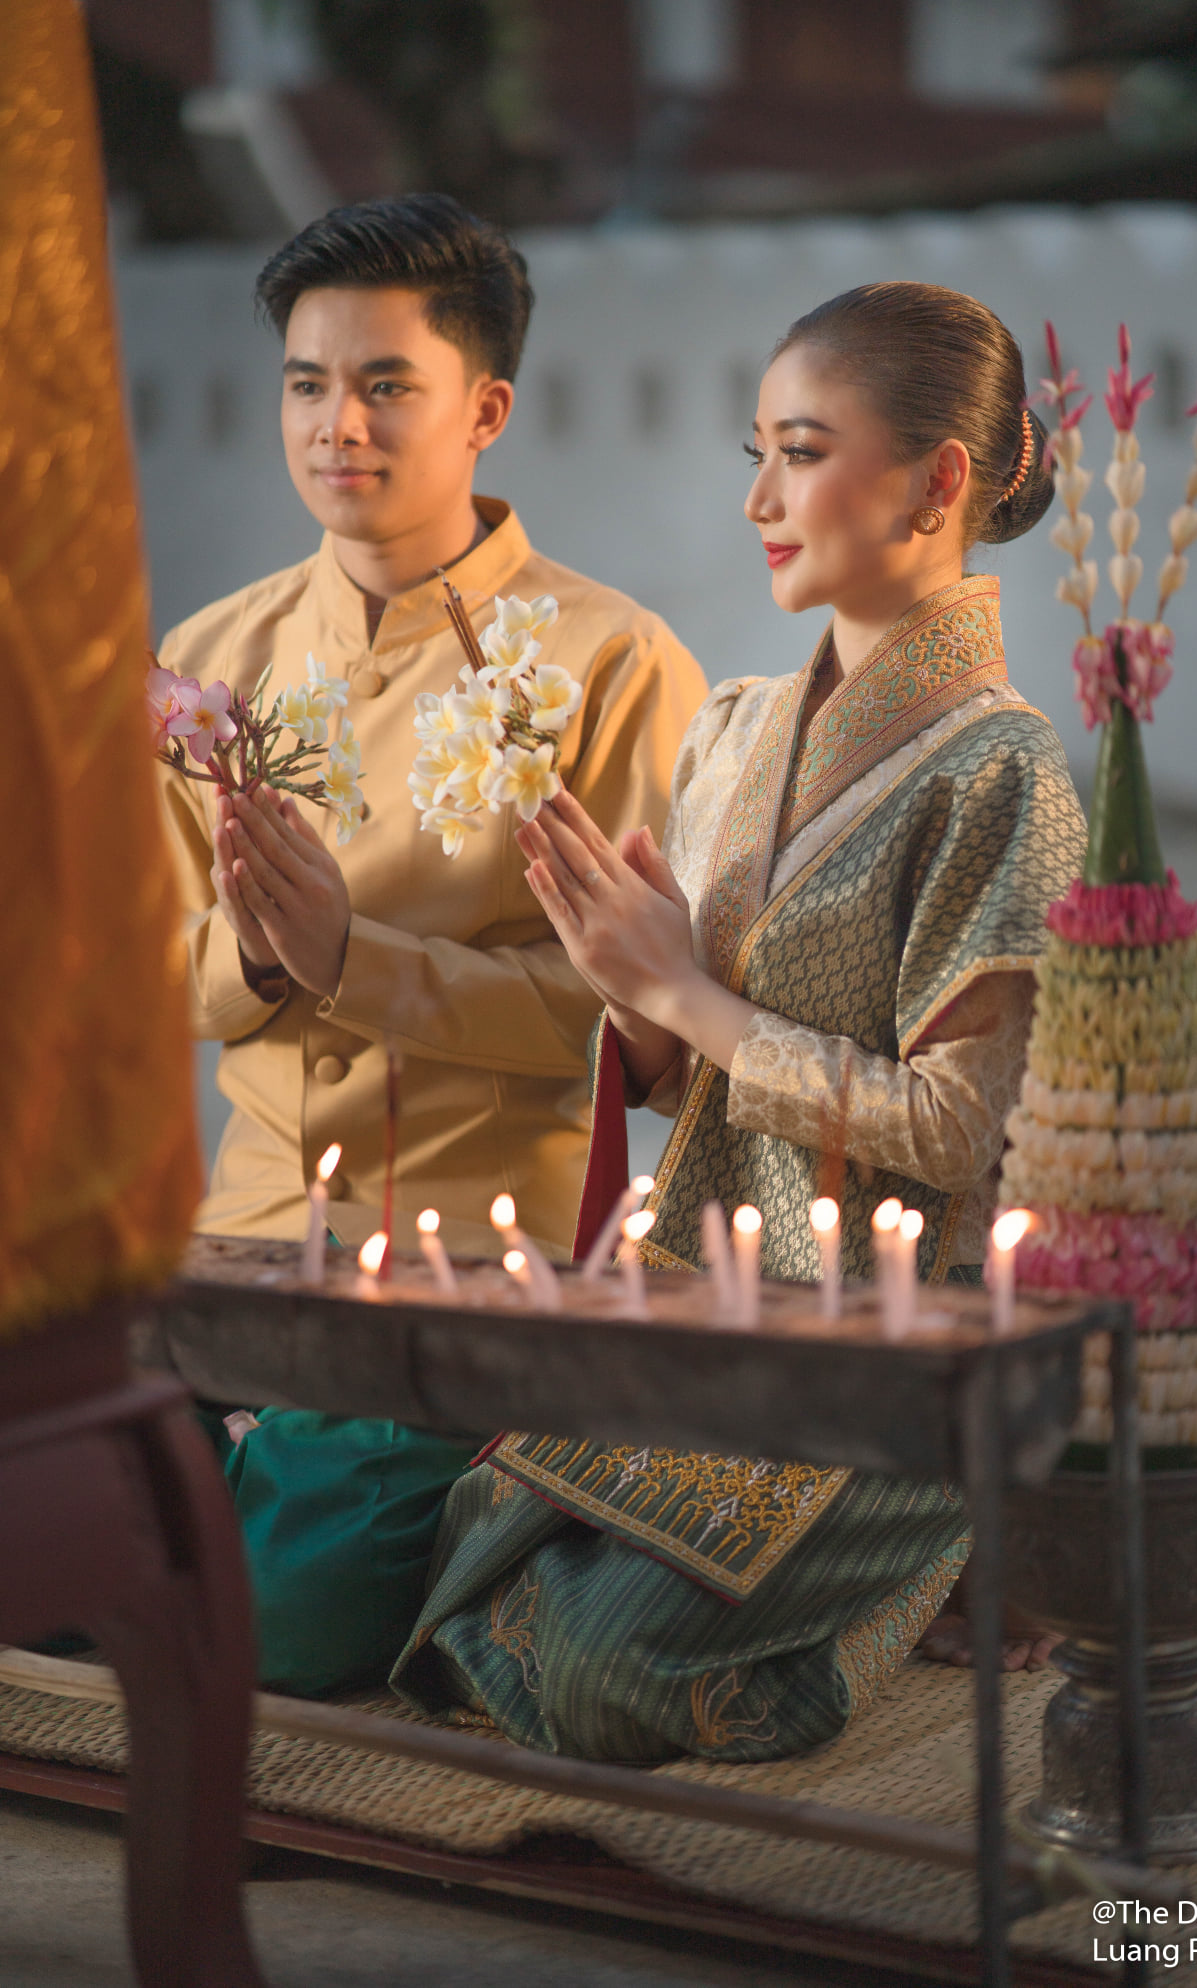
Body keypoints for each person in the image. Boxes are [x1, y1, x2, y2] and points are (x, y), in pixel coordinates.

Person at [392, 282, 1085, 1761]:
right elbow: (678, 1079)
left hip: (883, 1348)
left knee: (595, 1667)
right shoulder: (733, 728)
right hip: (710, 1296)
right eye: (753, 454)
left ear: (937, 479)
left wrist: (683, 994)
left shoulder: (1006, 778)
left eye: (799, 451)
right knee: (449, 1567)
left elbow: (958, 1132)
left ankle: (920, 1565)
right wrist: (624, 985)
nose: (759, 500)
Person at [156, 194, 706, 1696]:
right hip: (242, 1245)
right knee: (48, 1563)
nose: (341, 423)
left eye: (387, 383)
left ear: (486, 408)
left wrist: (353, 957)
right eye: (308, 383)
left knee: (284, 1640)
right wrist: (261, 961)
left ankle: (474, 1513)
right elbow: (150, 966)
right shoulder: (207, 667)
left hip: (485, 1263)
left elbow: (637, 1035)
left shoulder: (611, 665)